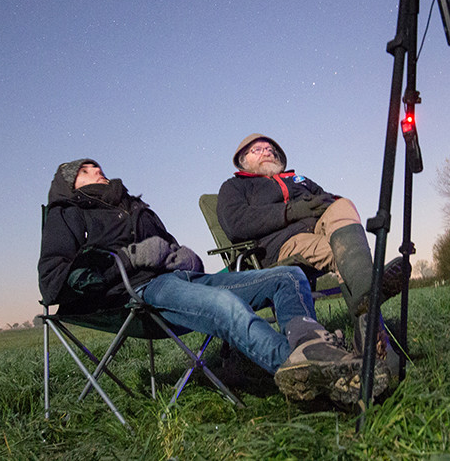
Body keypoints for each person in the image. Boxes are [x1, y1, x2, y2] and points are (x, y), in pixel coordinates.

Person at [38, 158, 386, 406]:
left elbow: (165, 245)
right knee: (225, 306)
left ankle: (313, 344)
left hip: (180, 279)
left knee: (287, 275)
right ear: (70, 184)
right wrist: (129, 259)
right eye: (84, 170)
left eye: (96, 166)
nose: (96, 169)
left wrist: (180, 255)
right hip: (138, 292)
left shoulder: (134, 206)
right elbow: (54, 281)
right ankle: (302, 366)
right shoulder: (67, 214)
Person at [216, 133, 409, 361]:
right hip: (280, 244)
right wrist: (289, 212)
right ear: (243, 160)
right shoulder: (235, 187)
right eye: (257, 150)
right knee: (341, 253)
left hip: (321, 228)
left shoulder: (299, 179)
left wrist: (329, 202)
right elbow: (236, 223)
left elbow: (326, 198)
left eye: (270, 149)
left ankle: (367, 293)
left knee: (343, 205)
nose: (266, 152)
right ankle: (379, 343)